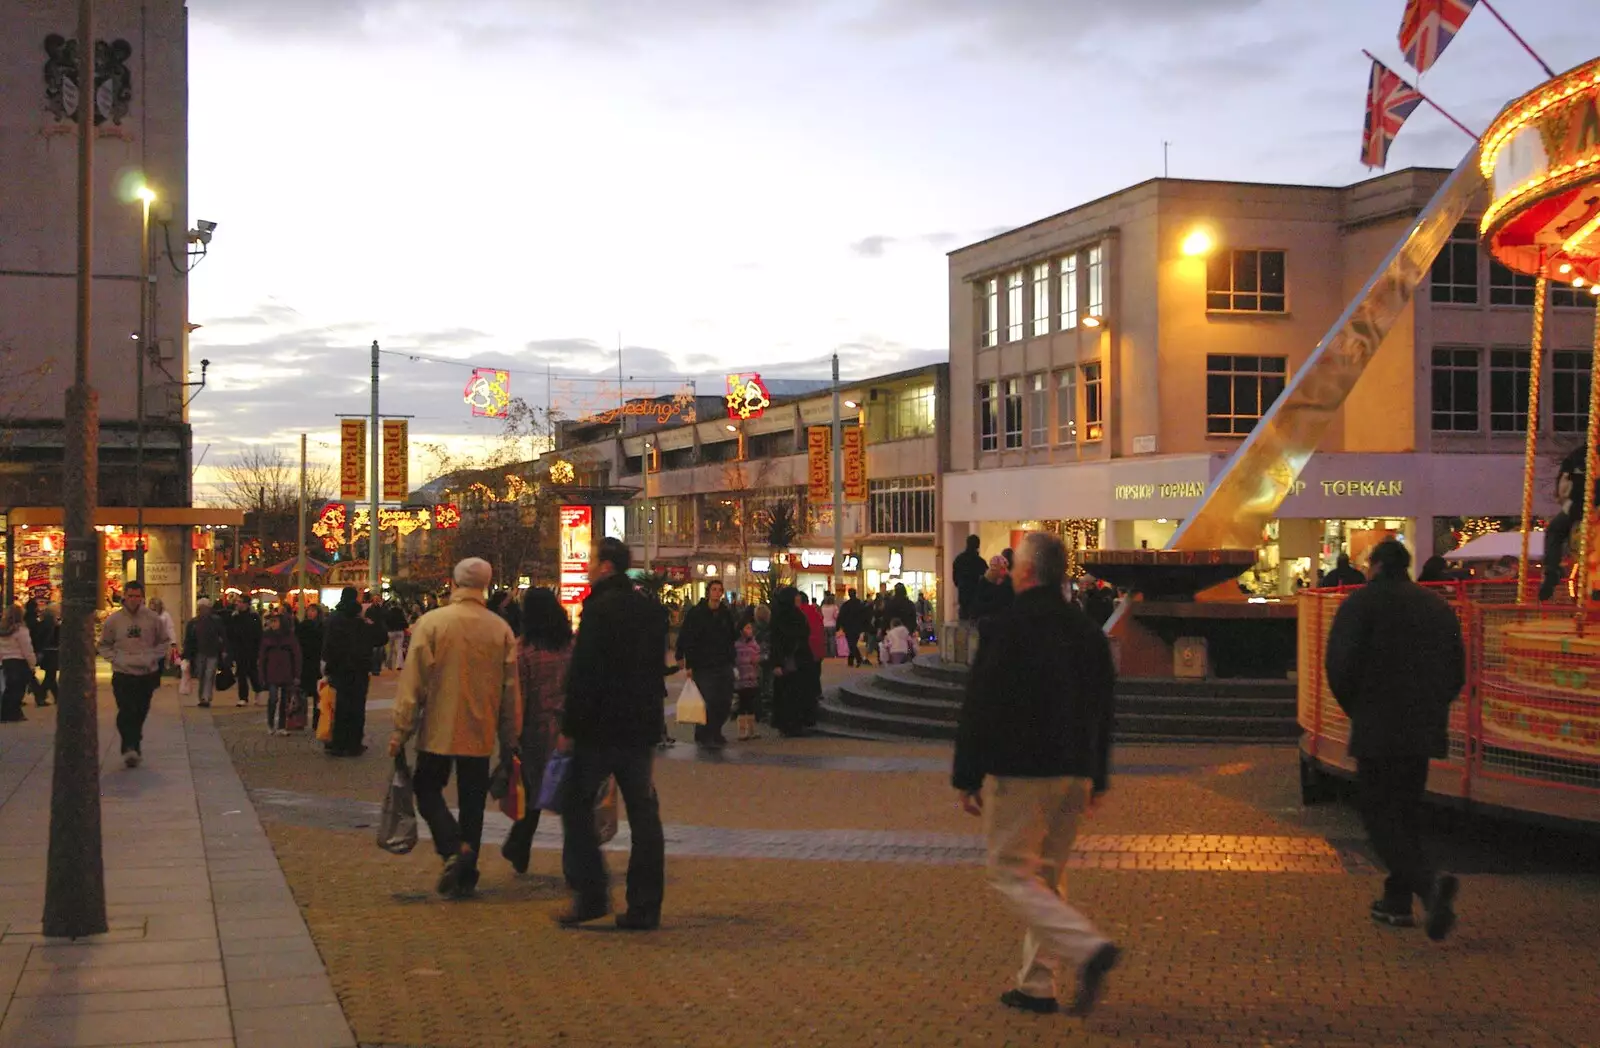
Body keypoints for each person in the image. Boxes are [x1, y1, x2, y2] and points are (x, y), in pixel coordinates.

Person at [953, 531, 1120, 1017]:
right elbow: (1105, 708)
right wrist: (1099, 776)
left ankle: (1086, 947)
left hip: (1020, 769)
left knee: (1010, 873)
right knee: (1047, 876)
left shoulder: (1009, 627)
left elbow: (979, 704)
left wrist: (967, 774)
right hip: (1073, 771)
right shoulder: (1087, 630)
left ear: (1025, 572)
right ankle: (1036, 983)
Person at [1325, 538, 1466, 940]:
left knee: (1378, 816)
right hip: (1422, 726)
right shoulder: (1436, 608)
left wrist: (1360, 708)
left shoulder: (1360, 605)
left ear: (1374, 566)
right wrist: (1435, 705)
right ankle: (1397, 901)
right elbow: (1456, 667)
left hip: (1378, 724)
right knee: (1405, 809)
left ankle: (1428, 886)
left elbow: (1340, 664)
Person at [390, 558, 521, 899]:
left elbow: (413, 683)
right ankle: (467, 868)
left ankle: (452, 848)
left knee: (427, 787)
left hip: (438, 725)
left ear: (453, 582)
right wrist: (510, 738)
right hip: (480, 729)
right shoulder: (500, 629)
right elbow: (511, 691)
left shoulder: (432, 624)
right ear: (486, 585)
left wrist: (401, 730)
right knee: (472, 800)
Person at [558, 537, 667, 929]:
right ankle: (645, 905)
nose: (587, 566)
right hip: (640, 726)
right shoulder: (650, 611)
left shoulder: (598, 610)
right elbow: (656, 672)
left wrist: (570, 727)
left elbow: (584, 675)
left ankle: (591, 893)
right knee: (644, 815)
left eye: (591, 560)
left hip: (601, 728)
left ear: (605, 566)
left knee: (574, 801)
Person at [501, 587, 573, 875]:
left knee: (532, 793)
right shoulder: (569, 645)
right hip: (567, 729)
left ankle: (519, 844)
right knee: (569, 797)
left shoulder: (522, 651)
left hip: (534, 730)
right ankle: (573, 864)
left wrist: (511, 736)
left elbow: (519, 698)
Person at [96, 580, 171, 768]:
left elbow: (164, 641)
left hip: (146, 672)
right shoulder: (114, 620)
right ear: (124, 596)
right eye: (130, 596)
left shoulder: (153, 619)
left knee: (141, 710)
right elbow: (104, 644)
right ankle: (130, 745)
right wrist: (115, 658)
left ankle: (134, 742)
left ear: (142, 597)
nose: (133, 600)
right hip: (123, 672)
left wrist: (153, 657)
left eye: (137, 596)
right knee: (126, 710)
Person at [676, 579, 738, 749]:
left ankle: (716, 730)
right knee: (708, 700)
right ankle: (705, 733)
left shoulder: (726, 613)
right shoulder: (697, 613)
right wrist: (682, 658)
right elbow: (686, 635)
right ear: (708, 592)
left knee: (724, 701)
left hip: (723, 663)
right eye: (714, 589)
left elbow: (732, 636)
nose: (717, 593)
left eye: (720, 590)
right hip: (703, 665)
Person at [322, 587, 384, 757]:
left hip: (339, 668)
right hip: (359, 668)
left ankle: (338, 742)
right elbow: (380, 638)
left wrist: (328, 666)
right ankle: (354, 743)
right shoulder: (361, 621)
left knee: (340, 705)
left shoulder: (334, 619)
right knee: (357, 706)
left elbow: (327, 646)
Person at [1539, 442, 1592, 600]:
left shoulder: (1577, 455)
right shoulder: (1578, 455)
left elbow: (1562, 486)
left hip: (1578, 505)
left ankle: (1552, 569)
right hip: (1588, 505)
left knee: (1555, 531)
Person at [259, 610, 303, 736]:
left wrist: (296, 674)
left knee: (285, 700)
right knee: (273, 698)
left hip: (286, 672)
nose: (272, 624)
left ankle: (281, 726)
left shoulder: (290, 637)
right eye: (271, 622)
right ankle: (270, 724)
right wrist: (262, 674)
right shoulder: (267, 636)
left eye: (275, 621)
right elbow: (262, 657)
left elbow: (297, 656)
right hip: (272, 672)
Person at [182, 598, 229, 708]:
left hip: (212, 652)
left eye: (204, 608)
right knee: (201, 674)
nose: (202, 610)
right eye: (200, 608)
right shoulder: (193, 623)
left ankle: (205, 697)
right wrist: (186, 654)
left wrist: (224, 650)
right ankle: (203, 696)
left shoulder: (216, 621)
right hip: (199, 653)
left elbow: (223, 635)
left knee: (209, 674)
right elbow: (188, 640)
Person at [0, 605, 37, 723]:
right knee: (19, 689)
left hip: (7, 661)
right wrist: (32, 663)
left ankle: (6, 713)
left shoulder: (3, 630)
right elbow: (27, 648)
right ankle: (13, 713)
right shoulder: (21, 631)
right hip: (19, 661)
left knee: (10, 688)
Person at [227, 598, 263, 707]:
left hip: (252, 649)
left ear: (247, 604)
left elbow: (259, 634)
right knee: (241, 673)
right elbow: (231, 633)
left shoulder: (254, 617)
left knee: (252, 672)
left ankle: (257, 689)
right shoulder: (235, 617)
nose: (238, 604)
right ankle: (243, 697)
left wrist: (259, 650)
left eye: (240, 602)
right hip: (239, 649)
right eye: (238, 602)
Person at [798, 591, 825, 727]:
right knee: (816, 673)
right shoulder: (815, 612)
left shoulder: (799, 613)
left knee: (807, 678)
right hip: (818, 647)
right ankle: (817, 692)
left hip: (807, 649)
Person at [296, 604, 325, 729]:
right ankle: (300, 720)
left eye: (313, 611)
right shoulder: (302, 626)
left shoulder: (322, 627)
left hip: (317, 662)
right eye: (309, 610)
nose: (310, 613)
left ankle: (316, 721)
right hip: (305, 663)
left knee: (317, 694)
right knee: (302, 693)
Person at [733, 621, 762, 741]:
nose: (750, 630)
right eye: (747, 627)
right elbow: (736, 660)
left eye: (751, 627)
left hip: (752, 677)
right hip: (741, 678)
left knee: (750, 704)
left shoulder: (754, 643)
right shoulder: (737, 645)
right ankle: (742, 730)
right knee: (742, 704)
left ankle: (751, 730)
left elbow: (758, 656)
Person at [954, 534, 987, 620]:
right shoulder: (980, 562)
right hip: (976, 597)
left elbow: (955, 579)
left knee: (963, 625)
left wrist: (961, 584)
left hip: (963, 595)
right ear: (978, 546)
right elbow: (986, 579)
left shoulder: (959, 560)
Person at [32, 604, 60, 707]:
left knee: (50, 675)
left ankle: (57, 696)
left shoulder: (41, 625)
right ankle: (41, 695)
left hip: (45, 652)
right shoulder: (55, 626)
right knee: (50, 676)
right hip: (52, 652)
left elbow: (37, 639)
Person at [839, 588, 868, 667]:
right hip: (857, 627)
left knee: (851, 644)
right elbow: (864, 616)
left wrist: (840, 626)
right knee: (853, 643)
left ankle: (857, 659)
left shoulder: (846, 605)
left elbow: (841, 616)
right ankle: (851, 660)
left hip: (848, 627)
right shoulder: (860, 604)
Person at [149, 597, 176, 676]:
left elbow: (170, 628)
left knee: (160, 661)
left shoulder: (165, 615)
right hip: (150, 644)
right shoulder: (147, 615)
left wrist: (173, 641)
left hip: (161, 644)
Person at [384, 599, 408, 671]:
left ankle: (389, 664)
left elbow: (386, 622)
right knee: (399, 648)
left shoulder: (388, 612)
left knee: (389, 649)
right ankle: (399, 665)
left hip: (390, 631)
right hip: (400, 631)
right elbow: (404, 620)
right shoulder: (400, 612)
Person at [819, 592, 839, 658]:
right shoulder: (834, 607)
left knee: (825, 640)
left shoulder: (823, 607)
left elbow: (821, 616)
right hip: (832, 624)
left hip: (824, 624)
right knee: (832, 639)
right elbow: (836, 616)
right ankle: (832, 654)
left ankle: (826, 653)